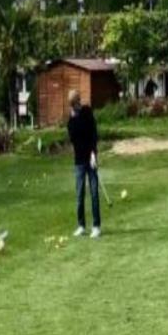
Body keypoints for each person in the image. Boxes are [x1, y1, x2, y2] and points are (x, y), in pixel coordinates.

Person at [66, 91, 101, 238]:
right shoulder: (71, 122)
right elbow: (74, 140)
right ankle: (81, 225)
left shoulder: (87, 112)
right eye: (75, 104)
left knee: (94, 193)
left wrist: (93, 153)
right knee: (80, 195)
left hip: (91, 159)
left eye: (78, 102)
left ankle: (96, 226)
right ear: (72, 105)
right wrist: (74, 118)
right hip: (79, 161)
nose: (77, 105)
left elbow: (93, 134)